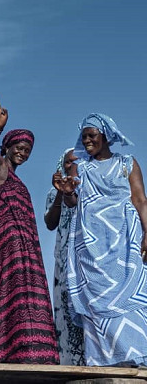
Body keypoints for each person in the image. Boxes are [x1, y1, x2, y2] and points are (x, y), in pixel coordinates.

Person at [62, 113, 147, 367]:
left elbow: (140, 199)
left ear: (106, 136)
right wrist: (66, 193)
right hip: (90, 244)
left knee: (131, 295)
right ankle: (105, 361)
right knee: (96, 301)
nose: (87, 141)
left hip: (124, 239)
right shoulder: (81, 167)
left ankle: (136, 356)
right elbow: (72, 200)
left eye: (92, 136)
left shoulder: (127, 163)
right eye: (84, 136)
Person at [0, 98, 59, 364]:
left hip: (29, 247)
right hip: (8, 244)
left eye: (27, 151)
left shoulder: (19, 179)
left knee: (32, 295)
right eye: (20, 148)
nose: (23, 154)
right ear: (8, 147)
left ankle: (37, 353)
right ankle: (17, 353)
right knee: (15, 296)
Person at [44, 149, 85, 365]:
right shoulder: (54, 193)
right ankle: (69, 363)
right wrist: (61, 192)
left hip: (87, 260)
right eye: (68, 163)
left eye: (78, 162)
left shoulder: (90, 189)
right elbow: (50, 223)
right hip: (64, 261)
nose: (73, 167)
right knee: (66, 311)